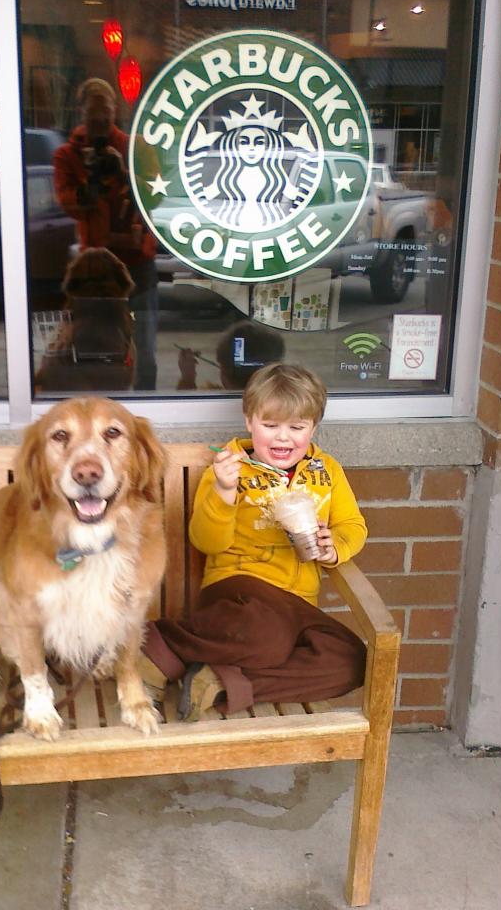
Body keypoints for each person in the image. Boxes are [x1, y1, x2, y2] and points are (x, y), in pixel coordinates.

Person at [140, 363, 367, 720]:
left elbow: (353, 525)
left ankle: (219, 682)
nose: (283, 438)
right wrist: (224, 492)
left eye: (296, 427)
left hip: (297, 601)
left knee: (350, 659)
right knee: (269, 636)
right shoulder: (231, 469)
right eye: (270, 425)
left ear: (313, 427)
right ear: (249, 421)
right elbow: (207, 542)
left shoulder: (327, 471)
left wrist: (334, 546)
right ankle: (161, 643)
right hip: (238, 588)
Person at [53, 77, 158, 390]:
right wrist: (92, 184)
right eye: (93, 115)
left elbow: (154, 196)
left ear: (116, 112)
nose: (99, 122)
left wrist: (122, 172)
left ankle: (145, 410)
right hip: (97, 271)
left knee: (145, 350)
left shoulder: (136, 148)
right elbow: (69, 204)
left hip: (137, 263)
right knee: (93, 349)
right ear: (81, 113)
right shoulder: (67, 156)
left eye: (105, 115)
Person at [176, 319, 285, 390]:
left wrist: (187, 378)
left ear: (224, 370)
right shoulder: (287, 403)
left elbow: (180, 411)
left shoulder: (210, 403)